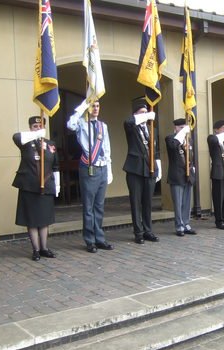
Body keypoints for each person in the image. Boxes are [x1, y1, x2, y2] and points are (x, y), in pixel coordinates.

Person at [67, 101, 114, 253]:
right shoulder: (81, 123)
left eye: (98, 106)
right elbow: (70, 125)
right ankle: (90, 240)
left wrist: (109, 168)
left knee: (99, 206)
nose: (95, 109)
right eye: (93, 106)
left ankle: (100, 238)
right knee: (89, 207)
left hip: (102, 167)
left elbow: (106, 147)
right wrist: (80, 109)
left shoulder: (102, 126)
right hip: (89, 167)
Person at [12, 116, 60, 261]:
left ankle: (44, 248)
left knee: (44, 219)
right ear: (30, 127)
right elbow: (16, 137)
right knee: (32, 220)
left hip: (46, 186)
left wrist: (57, 185)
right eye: (35, 126)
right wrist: (35, 135)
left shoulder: (50, 144)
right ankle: (36, 250)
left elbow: (56, 166)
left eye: (40, 126)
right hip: (29, 186)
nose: (38, 128)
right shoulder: (25, 142)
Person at [123, 97, 161, 244]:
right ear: (136, 114)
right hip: (135, 170)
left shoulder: (152, 129)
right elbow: (128, 122)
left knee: (147, 202)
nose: (145, 115)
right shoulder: (131, 126)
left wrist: (158, 166)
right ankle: (138, 232)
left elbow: (155, 150)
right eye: (141, 113)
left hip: (149, 169)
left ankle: (148, 230)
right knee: (136, 202)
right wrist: (145, 116)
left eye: (146, 112)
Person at [165, 118, 196, 237]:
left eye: (184, 127)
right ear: (175, 128)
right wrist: (182, 133)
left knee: (187, 202)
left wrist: (192, 168)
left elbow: (192, 156)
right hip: (177, 175)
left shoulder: (189, 140)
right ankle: (179, 226)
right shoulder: (170, 139)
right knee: (178, 202)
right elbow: (173, 146)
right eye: (180, 128)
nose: (183, 129)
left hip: (188, 174)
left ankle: (186, 223)